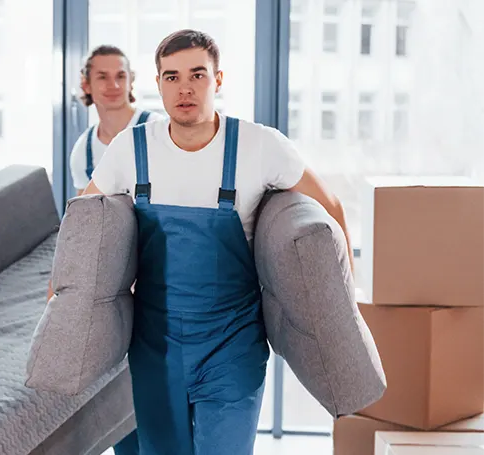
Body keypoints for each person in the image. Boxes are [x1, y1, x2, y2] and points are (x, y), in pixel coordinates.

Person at [54, 30, 353, 454]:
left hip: (233, 346)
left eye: (197, 74)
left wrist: (348, 310)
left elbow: (332, 208)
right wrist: (56, 308)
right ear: (157, 84)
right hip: (155, 347)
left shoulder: (260, 145)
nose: (185, 88)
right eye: (172, 77)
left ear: (218, 79)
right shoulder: (130, 149)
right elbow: (78, 230)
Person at [69, 45, 163, 196]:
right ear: (86, 85)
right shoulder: (83, 151)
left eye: (120, 76)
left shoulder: (157, 129)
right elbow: (83, 212)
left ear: (130, 82)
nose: (114, 85)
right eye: (102, 77)